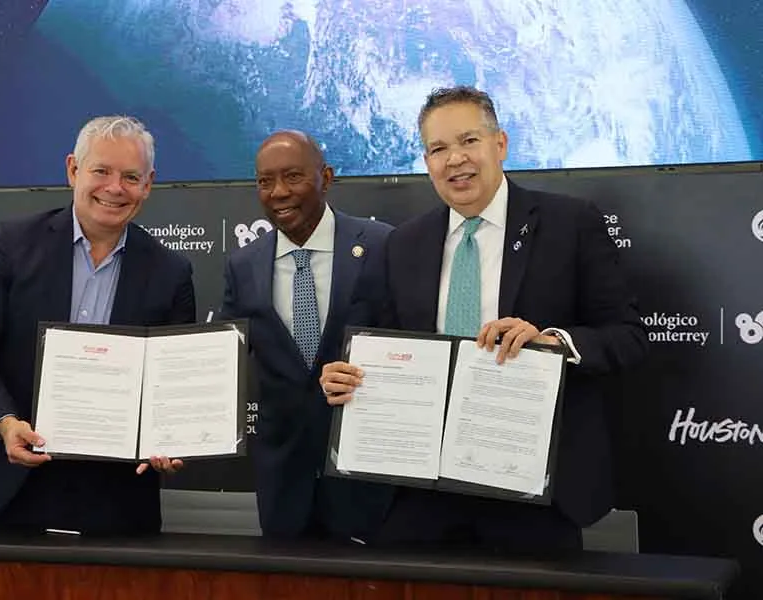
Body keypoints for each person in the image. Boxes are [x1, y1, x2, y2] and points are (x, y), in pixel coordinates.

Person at [320, 86, 649, 551]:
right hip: (421, 489)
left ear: (501, 145)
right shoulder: (403, 244)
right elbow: (372, 342)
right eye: (438, 149)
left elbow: (628, 337)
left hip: (533, 488)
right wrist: (343, 373)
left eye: (468, 141)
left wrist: (553, 343)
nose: (455, 159)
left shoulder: (569, 224)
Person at [0, 116, 196, 536]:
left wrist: (169, 438)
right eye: (101, 171)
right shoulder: (11, 244)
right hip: (4, 489)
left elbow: (171, 382)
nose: (115, 188)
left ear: (148, 184)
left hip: (116, 505)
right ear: (73, 170)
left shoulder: (171, 271)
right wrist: (4, 422)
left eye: (131, 176)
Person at [221, 130, 395, 539]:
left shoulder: (382, 245)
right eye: (265, 181)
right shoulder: (242, 265)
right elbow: (225, 358)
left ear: (326, 178)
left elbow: (412, 346)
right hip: (283, 481)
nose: (279, 192)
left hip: (365, 473)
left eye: (293, 177)